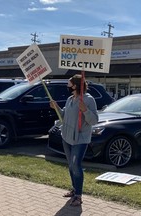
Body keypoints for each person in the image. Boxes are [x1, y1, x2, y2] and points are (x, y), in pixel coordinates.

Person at [50, 74, 98, 206]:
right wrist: (57, 108)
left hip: (80, 139)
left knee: (76, 166)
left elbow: (94, 120)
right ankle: (74, 189)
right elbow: (64, 117)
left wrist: (85, 110)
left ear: (75, 85)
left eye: (69, 84)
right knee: (71, 166)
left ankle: (78, 196)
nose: (67, 86)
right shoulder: (70, 99)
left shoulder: (88, 100)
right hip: (67, 137)